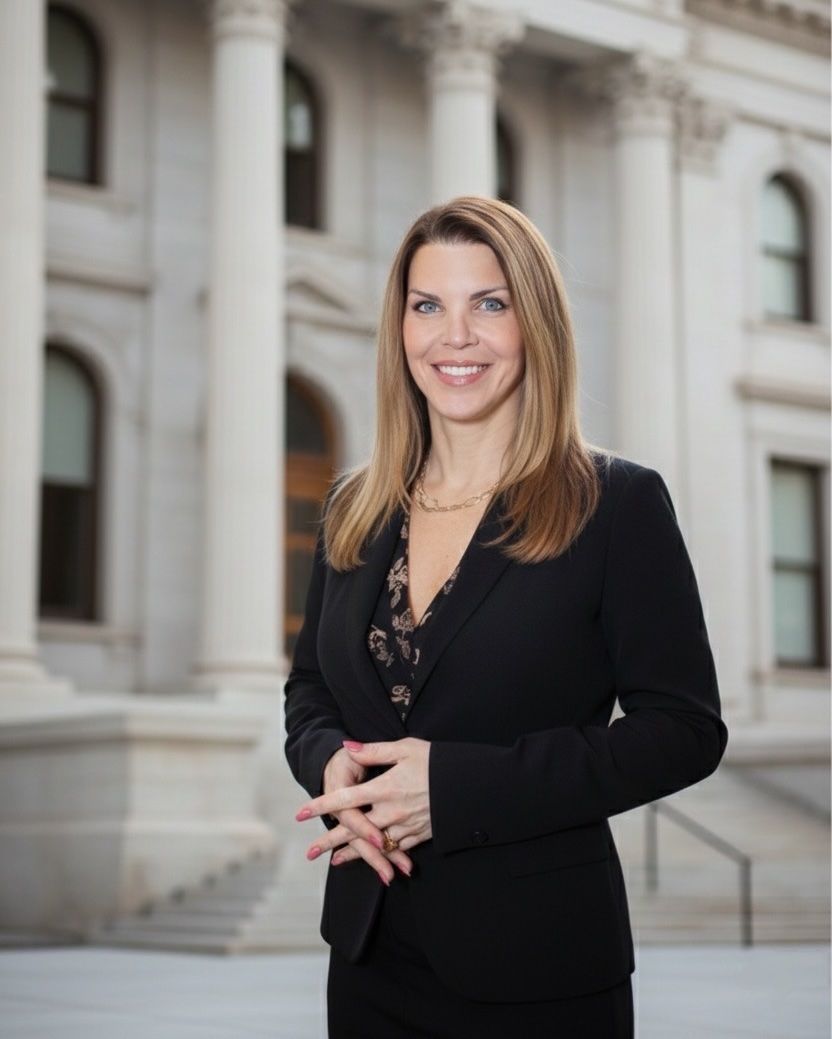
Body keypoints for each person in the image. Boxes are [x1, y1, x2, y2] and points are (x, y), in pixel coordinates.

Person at [284, 195, 728, 1038]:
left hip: (541, 970)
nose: (455, 336)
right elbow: (310, 689)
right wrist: (329, 769)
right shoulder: (355, 507)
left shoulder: (616, 505)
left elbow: (684, 729)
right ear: (400, 327)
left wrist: (453, 787)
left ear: (537, 326)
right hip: (368, 956)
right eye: (427, 306)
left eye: (489, 303)